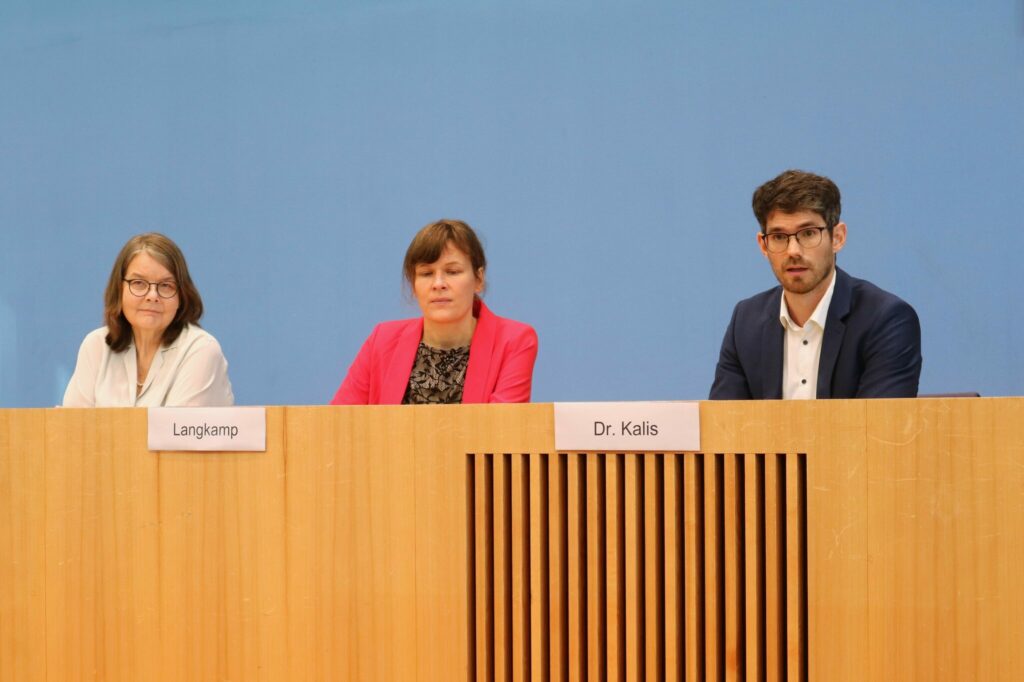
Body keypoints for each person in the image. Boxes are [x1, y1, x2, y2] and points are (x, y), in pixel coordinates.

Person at [710, 170, 921, 399]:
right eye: (779, 237)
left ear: (838, 237)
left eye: (809, 233)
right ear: (763, 245)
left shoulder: (885, 319)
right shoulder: (745, 321)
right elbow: (725, 427)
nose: (793, 251)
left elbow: (878, 430)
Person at [331, 219, 538, 405]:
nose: (438, 284)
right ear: (414, 284)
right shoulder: (382, 340)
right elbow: (339, 425)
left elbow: (500, 431)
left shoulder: (514, 341)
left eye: (452, 272)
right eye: (426, 273)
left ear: (479, 279)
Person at [63, 232, 234, 407]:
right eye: (138, 283)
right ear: (119, 289)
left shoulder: (200, 350)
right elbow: (73, 429)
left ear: (181, 296)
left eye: (166, 286)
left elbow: (175, 431)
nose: (152, 296)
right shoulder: (97, 346)